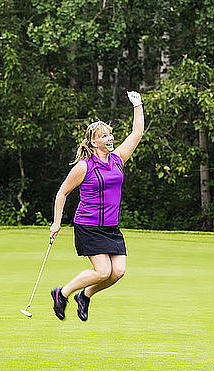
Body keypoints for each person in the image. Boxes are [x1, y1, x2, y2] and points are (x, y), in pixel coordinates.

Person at [49, 91, 144, 321]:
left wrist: (138, 105)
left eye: (110, 135)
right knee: (102, 271)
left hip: (111, 227)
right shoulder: (84, 166)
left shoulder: (118, 159)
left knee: (117, 272)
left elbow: (137, 133)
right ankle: (61, 294)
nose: (110, 139)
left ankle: (85, 296)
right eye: (105, 136)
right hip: (89, 225)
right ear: (94, 142)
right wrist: (56, 222)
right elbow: (62, 192)